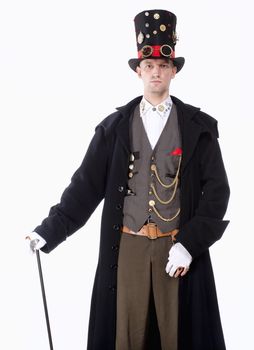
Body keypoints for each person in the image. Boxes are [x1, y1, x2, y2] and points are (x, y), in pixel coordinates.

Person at [27, 9, 230, 350]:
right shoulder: (115, 127)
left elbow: (217, 192)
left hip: (175, 247)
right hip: (129, 246)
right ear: (138, 70)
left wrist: (189, 245)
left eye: (163, 66)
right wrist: (48, 230)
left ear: (173, 71)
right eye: (148, 65)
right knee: (126, 337)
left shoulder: (198, 127)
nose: (156, 72)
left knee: (178, 337)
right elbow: (85, 188)